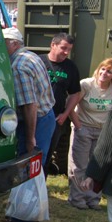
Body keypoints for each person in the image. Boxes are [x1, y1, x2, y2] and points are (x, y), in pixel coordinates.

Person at [0, 27, 55, 222]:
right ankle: (32, 214)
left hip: (37, 121)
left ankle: (20, 221)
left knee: (26, 168)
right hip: (47, 115)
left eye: (5, 42)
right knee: (36, 169)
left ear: (14, 44)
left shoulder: (18, 66)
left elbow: (30, 105)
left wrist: (30, 137)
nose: (1, 46)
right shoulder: (32, 57)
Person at [68, 57, 112, 210]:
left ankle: (93, 199)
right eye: (103, 69)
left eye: (109, 71)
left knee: (98, 164)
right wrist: (79, 127)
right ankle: (77, 198)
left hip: (103, 131)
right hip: (84, 127)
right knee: (79, 165)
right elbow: (70, 106)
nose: (104, 73)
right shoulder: (86, 84)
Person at [41, 33, 81, 173]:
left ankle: (41, 188)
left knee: (46, 155)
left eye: (69, 49)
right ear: (53, 45)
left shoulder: (70, 67)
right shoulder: (38, 61)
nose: (66, 52)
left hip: (56, 118)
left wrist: (65, 114)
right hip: (36, 115)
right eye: (63, 48)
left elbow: (75, 93)